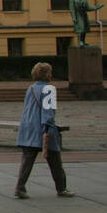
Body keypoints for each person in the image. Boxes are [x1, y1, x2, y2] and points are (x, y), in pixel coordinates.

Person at [15, 62, 74, 198]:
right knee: (55, 161)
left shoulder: (30, 88)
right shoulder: (49, 89)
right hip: (43, 129)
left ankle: (20, 187)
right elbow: (48, 111)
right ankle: (61, 188)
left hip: (28, 127)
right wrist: (48, 128)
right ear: (47, 74)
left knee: (27, 160)